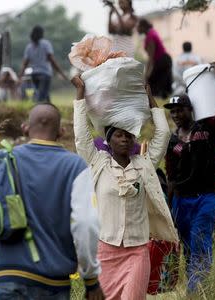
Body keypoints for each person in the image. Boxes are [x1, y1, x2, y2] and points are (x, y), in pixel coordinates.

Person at [0, 103, 104, 300]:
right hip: (53, 282)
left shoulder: (2, 158)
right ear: (61, 131)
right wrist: (90, 278)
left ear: (25, 128)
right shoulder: (75, 166)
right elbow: (86, 224)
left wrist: (2, 218)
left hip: (6, 276)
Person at [72, 75, 178, 300]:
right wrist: (80, 93)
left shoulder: (144, 165)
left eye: (129, 135)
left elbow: (164, 134)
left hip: (138, 250)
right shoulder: (98, 162)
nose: (125, 140)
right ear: (108, 141)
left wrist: (150, 98)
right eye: (119, 135)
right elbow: (82, 137)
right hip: (105, 249)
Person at [164, 62, 215, 293]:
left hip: (205, 196)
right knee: (187, 245)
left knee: (200, 239)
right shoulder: (173, 140)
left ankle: (195, 290)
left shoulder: (206, 128)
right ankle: (195, 285)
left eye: (180, 110)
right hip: (181, 200)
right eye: (172, 111)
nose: (176, 114)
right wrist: (170, 200)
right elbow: (170, 173)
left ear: (190, 109)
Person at [18, 25, 68, 102]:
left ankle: (50, 110)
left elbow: (25, 64)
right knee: (41, 97)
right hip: (45, 74)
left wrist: (20, 76)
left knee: (45, 94)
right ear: (41, 34)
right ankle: (37, 110)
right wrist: (61, 73)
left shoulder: (29, 47)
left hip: (34, 75)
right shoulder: (46, 44)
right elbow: (52, 60)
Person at [137, 18, 173, 99]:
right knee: (160, 87)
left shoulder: (150, 36)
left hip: (162, 61)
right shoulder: (152, 32)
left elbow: (151, 58)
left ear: (143, 26)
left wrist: (147, 74)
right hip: (164, 60)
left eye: (138, 26)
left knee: (153, 84)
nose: (137, 29)